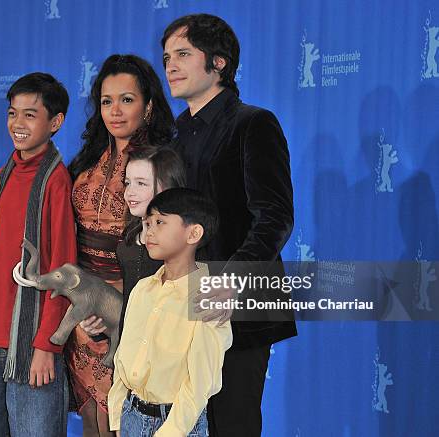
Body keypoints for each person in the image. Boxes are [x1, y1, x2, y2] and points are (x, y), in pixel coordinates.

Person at [161, 14, 297, 437]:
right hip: (182, 300)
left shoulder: (253, 123)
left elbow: (274, 217)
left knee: (231, 423)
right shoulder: (174, 134)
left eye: (183, 54)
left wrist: (228, 281)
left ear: (218, 62)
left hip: (238, 305)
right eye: (166, 57)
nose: (170, 66)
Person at [0, 72, 77, 437]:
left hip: (30, 342)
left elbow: (63, 271)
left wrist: (47, 344)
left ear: (55, 122)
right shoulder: (3, 176)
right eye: (13, 113)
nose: (18, 123)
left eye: (30, 114)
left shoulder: (56, 182)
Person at [67, 54, 174, 437]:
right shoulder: (87, 161)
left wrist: (118, 306)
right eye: (107, 101)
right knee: (91, 415)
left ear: (148, 107)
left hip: (130, 308)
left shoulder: (161, 163)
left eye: (126, 99)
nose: (115, 110)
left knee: (124, 416)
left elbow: (165, 247)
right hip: (79, 306)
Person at [108, 188, 233, 437]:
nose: (149, 232)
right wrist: (118, 414)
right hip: (131, 416)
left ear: (194, 233)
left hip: (177, 425)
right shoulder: (143, 289)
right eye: (147, 223)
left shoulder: (209, 298)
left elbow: (199, 385)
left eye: (160, 222)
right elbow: (124, 355)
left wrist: (170, 432)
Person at [81, 145, 186, 341]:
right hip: (130, 358)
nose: (129, 192)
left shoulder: (185, 244)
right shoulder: (130, 237)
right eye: (128, 183)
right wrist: (102, 326)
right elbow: (131, 307)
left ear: (168, 186)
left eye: (141, 183)